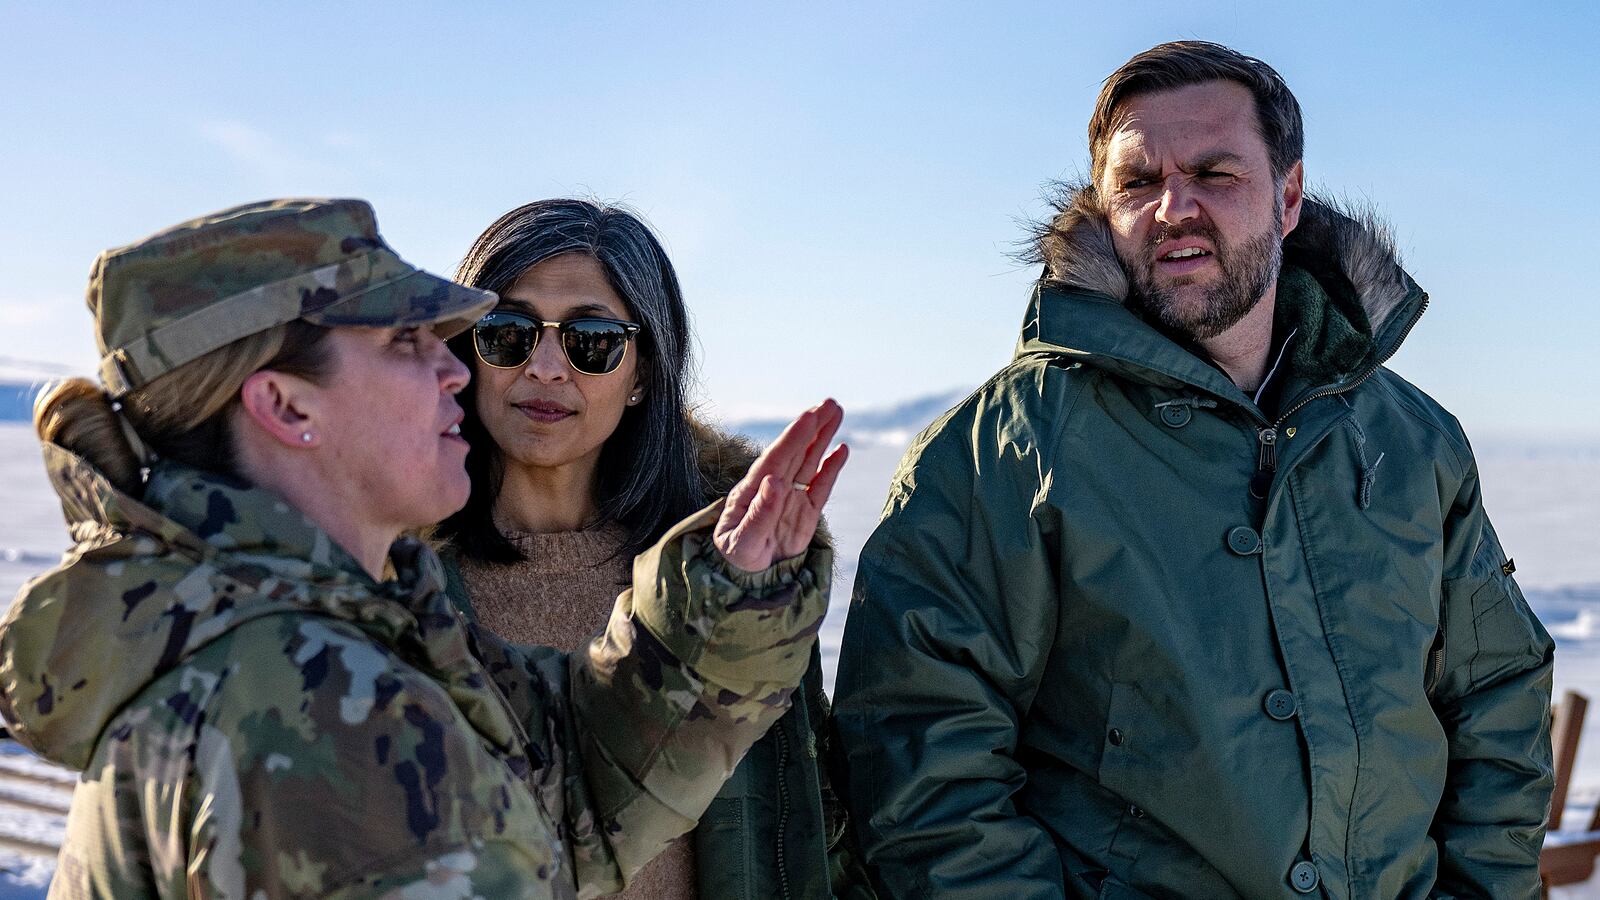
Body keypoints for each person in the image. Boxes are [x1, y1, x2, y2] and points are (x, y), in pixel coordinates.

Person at [832, 41, 1554, 899]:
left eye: (1214, 172)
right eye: (1138, 183)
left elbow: (1497, 698)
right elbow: (921, 766)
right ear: (1103, 207)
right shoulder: (1003, 453)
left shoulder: (1414, 441)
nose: (1175, 207)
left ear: (1287, 197)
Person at [0, 197, 847, 898]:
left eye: (590, 344)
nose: (455, 369)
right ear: (290, 410)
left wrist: (722, 607)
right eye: (410, 343)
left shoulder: (352, 618)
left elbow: (567, 795)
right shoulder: (309, 704)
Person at [432, 198, 849, 900]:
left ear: (645, 373)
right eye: (507, 333)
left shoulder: (729, 580)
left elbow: (815, 834)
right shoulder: (392, 575)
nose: (545, 368)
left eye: (590, 340)